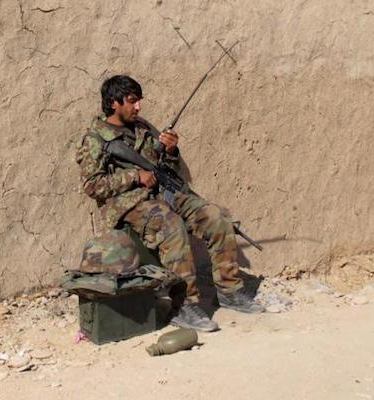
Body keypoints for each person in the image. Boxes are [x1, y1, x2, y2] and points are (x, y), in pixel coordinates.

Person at [75, 75, 263, 332]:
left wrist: (171, 151)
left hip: (165, 193)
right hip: (129, 204)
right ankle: (184, 305)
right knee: (171, 225)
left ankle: (230, 290)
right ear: (113, 103)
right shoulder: (96, 139)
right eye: (132, 101)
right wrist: (134, 177)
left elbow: (161, 164)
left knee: (216, 216)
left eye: (139, 100)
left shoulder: (141, 127)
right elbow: (92, 186)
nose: (138, 106)